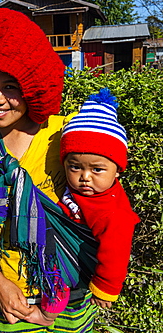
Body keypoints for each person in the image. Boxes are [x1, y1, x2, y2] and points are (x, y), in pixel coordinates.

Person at [0, 8, 97, 332]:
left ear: (33, 85)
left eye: (11, 86)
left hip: (70, 289)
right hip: (12, 301)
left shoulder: (64, 134)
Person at [58, 88, 140, 309]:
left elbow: (116, 253)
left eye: (97, 170)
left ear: (117, 171)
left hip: (79, 274)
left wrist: (105, 289)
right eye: (75, 167)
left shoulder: (111, 211)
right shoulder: (82, 191)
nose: (85, 177)